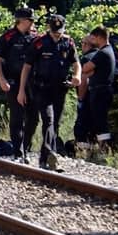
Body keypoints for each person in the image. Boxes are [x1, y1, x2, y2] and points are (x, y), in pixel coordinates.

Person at [17, 14, 80, 171]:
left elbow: (76, 62)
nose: (56, 35)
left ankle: (45, 158)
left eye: (59, 32)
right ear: (48, 29)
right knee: (48, 119)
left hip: (60, 88)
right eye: (54, 32)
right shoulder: (38, 43)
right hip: (41, 88)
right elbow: (27, 67)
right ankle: (48, 153)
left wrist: (76, 76)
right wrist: (21, 90)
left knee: (55, 123)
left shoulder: (68, 42)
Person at [0, 7, 36, 161]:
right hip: (13, 81)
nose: (32, 23)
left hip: (32, 82)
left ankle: (27, 147)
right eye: (30, 20)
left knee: (33, 117)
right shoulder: (8, 37)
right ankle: (18, 151)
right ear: (23, 21)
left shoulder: (35, 37)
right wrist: (2, 79)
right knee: (17, 116)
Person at [78, 26, 116, 153]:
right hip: (101, 91)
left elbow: (85, 68)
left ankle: (104, 150)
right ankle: (99, 149)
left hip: (100, 92)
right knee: (98, 121)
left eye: (93, 38)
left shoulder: (102, 53)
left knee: (100, 122)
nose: (92, 41)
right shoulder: (107, 51)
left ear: (100, 37)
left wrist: (88, 71)